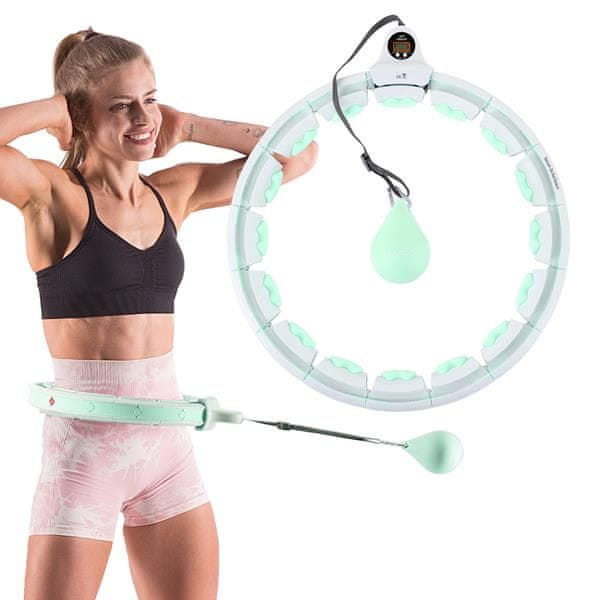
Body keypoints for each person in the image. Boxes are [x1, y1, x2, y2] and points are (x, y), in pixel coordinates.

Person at [0, 27, 317, 600]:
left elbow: (297, 155)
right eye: (120, 106)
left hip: (167, 455)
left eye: (149, 99)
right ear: (82, 115)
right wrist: (53, 110)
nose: (142, 117)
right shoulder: (53, 196)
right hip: (84, 457)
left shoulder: (175, 192)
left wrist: (188, 126)